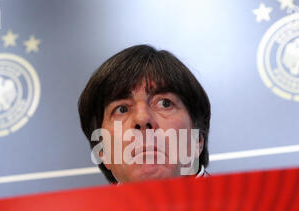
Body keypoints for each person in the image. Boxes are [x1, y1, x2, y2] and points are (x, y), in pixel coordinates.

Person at [78, 44, 211, 184]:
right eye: (122, 109)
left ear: (198, 140)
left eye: (164, 103)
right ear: (102, 152)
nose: (142, 118)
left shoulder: (235, 204)